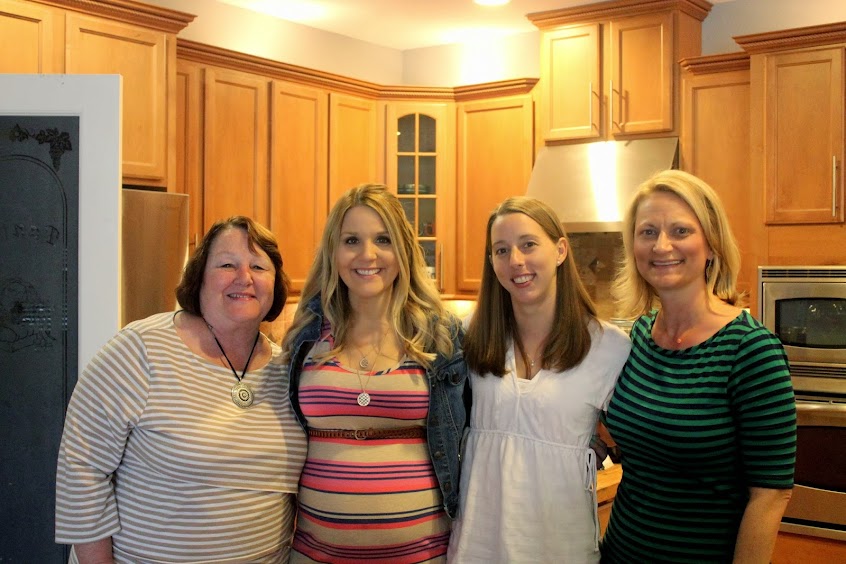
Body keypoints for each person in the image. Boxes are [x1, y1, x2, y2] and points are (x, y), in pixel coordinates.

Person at [55, 216, 307, 563]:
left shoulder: (287, 370)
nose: (244, 277)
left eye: (258, 266)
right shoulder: (141, 350)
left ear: (275, 283)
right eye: (227, 264)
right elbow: (81, 468)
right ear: (199, 276)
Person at [601, 170, 796, 563]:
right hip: (619, 553)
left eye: (680, 230)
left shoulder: (750, 350)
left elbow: (771, 494)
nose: (662, 245)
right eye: (648, 232)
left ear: (711, 245)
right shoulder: (638, 337)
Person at [281, 184, 469, 563]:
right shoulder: (306, 336)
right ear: (333, 252)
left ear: (403, 250)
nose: (367, 254)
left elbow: (479, 429)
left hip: (425, 555)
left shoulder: (440, 335)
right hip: (315, 555)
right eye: (351, 240)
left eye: (383, 239)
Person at [447, 196, 632, 563]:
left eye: (528, 244)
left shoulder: (609, 347)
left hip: (561, 547)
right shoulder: (467, 336)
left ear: (560, 250)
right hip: (476, 546)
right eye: (501, 250)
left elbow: (637, 441)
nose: (515, 260)